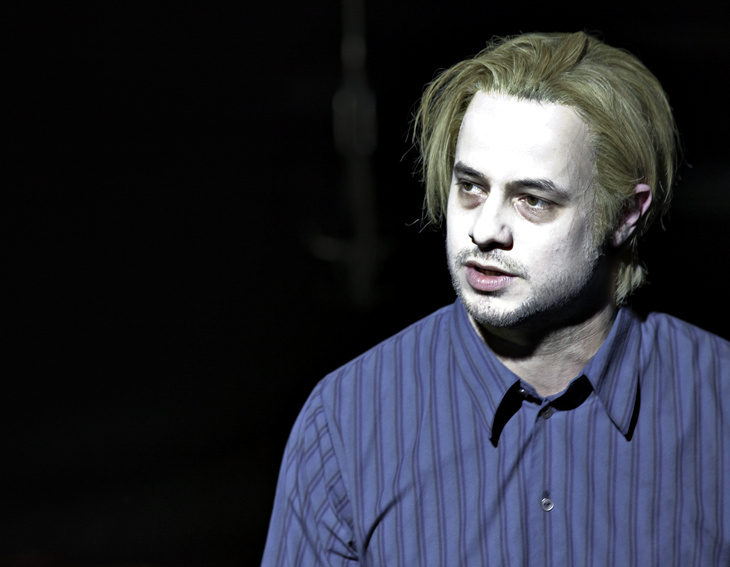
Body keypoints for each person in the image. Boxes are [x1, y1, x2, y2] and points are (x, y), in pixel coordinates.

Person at [261, 32, 730, 566]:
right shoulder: (345, 420)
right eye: (471, 187)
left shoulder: (718, 401)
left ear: (625, 214)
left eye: (533, 200)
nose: (484, 230)